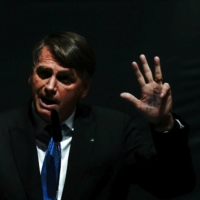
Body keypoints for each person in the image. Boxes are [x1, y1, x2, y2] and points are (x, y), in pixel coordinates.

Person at [0, 31, 195, 200]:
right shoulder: (3, 132)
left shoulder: (114, 130)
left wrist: (164, 124)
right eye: (43, 73)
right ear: (31, 76)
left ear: (84, 88)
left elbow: (174, 186)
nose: (50, 87)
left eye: (64, 78)